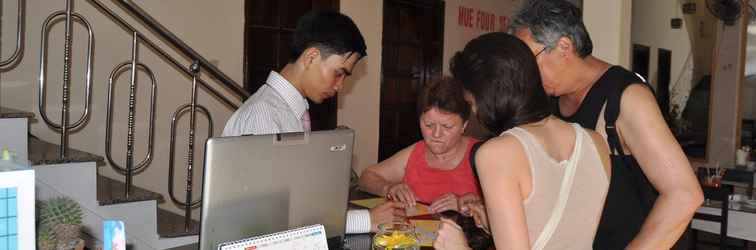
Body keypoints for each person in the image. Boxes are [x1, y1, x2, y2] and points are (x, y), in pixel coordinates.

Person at [508, 1, 703, 248]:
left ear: (564, 47)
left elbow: (685, 195)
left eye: (530, 61)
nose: (526, 75)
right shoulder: (550, 103)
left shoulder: (626, 97)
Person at [221, 10, 403, 234]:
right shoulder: (264, 116)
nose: (339, 86)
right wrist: (365, 220)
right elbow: (271, 220)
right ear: (311, 57)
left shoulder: (289, 111)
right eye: (339, 73)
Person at [436, 32, 612, 249]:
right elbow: (566, 228)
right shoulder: (596, 141)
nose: (475, 113)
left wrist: (458, 247)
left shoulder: (497, 153)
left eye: (472, 104)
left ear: (488, 97)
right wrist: (497, 226)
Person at [358, 78, 482, 213]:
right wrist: (388, 188)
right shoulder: (415, 153)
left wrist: (470, 205)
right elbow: (367, 177)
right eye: (428, 125)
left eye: (447, 126)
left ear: (464, 125)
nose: (436, 134)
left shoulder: (482, 155)